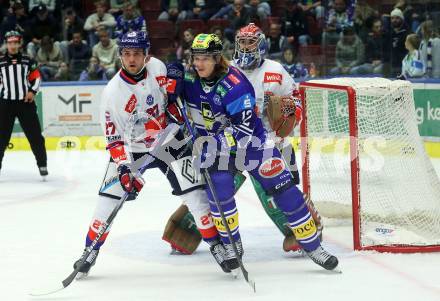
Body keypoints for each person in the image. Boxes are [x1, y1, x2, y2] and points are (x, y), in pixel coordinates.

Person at [169, 33, 339, 271]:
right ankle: (232, 245)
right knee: (218, 191)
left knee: (286, 191)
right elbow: (163, 79)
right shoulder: (190, 76)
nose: (199, 64)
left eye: (205, 58)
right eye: (195, 58)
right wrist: (172, 74)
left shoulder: (236, 86)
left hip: (252, 144)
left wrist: (212, 142)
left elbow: (243, 131)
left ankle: (313, 246)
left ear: (217, 58)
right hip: (213, 144)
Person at [72, 31, 229, 278]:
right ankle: (89, 251)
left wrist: (175, 77)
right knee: (107, 202)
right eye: (126, 54)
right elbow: (114, 139)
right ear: (120, 55)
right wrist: (124, 169)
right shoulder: (113, 93)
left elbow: (172, 83)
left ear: (146, 56)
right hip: (132, 151)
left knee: (196, 196)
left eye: (136, 53)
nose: (131, 59)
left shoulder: (156, 66)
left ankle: (217, 246)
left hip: (168, 140)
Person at [0, 31, 47, 177]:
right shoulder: (0, 62)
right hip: (5, 104)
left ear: (19, 44)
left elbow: (36, 78)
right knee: (1, 138)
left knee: (35, 136)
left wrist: (32, 92)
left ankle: (42, 164)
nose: (13, 46)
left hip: (25, 103)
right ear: (6, 44)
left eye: (15, 43)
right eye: (10, 43)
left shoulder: (28, 60)